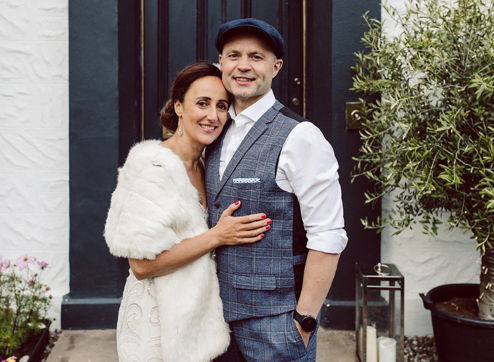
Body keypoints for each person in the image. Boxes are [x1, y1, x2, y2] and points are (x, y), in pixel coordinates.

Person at [104, 61, 271, 362]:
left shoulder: (207, 164)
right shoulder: (153, 167)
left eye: (222, 106)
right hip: (159, 327)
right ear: (178, 107)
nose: (213, 115)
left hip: (201, 324)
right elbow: (141, 266)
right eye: (202, 103)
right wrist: (217, 237)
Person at [205, 18, 348, 361]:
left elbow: (328, 234)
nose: (243, 65)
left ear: (276, 66)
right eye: (233, 55)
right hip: (211, 323)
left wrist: (304, 321)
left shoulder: (301, 137)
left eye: (256, 57)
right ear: (221, 63)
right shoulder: (214, 130)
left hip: (276, 327)